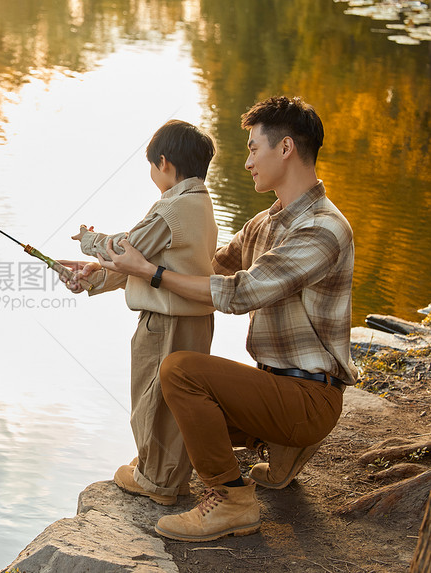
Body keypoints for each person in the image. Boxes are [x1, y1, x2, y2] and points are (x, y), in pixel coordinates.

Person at [92, 96, 357, 542]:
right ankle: (282, 446)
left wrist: (151, 271)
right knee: (181, 418)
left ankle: (232, 499)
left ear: (286, 148)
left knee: (179, 372)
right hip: (278, 384)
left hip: (309, 397)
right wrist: (108, 272)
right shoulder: (265, 223)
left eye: (254, 149)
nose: (248, 161)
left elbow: (239, 293)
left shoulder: (323, 228)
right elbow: (208, 268)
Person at [62, 119, 218, 506]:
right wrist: (94, 277)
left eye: (151, 166)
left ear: (163, 162)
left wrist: (89, 242)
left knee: (154, 398)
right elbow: (142, 265)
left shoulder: (172, 210)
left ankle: (156, 481)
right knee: (177, 401)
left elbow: (127, 249)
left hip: (165, 323)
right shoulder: (200, 204)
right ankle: (170, 474)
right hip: (194, 321)